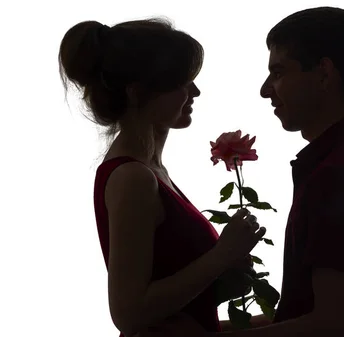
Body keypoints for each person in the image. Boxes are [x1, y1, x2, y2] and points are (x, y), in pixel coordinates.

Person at [146, 6, 344, 337]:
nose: (265, 89)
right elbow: (302, 315)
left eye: (279, 72)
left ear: (324, 73)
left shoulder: (340, 173)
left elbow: (331, 326)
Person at [58, 18, 266, 337]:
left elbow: (174, 312)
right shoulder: (133, 178)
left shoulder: (152, 172)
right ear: (138, 93)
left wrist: (223, 279)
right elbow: (129, 313)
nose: (194, 91)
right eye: (182, 82)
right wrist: (221, 257)